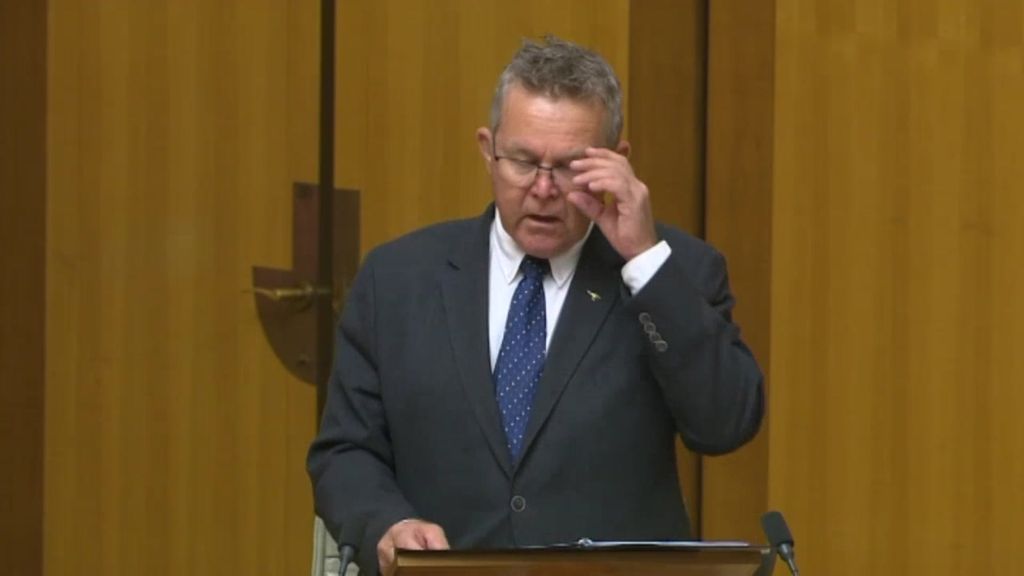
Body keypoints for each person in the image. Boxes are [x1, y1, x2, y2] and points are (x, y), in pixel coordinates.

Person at [307, 36, 764, 575]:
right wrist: (388, 525)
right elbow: (344, 452)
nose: (544, 189)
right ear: (488, 150)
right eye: (523, 162)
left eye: (570, 167)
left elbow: (724, 425)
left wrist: (643, 261)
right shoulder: (397, 279)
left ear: (617, 164)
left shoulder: (674, 271)